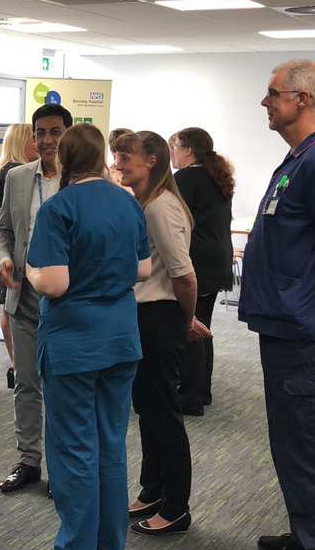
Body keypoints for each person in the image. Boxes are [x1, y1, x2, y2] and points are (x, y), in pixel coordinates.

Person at [240, 59, 315, 550]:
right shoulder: (298, 158)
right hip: (288, 325)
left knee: (310, 447)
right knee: (293, 444)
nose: (265, 103)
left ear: (302, 100)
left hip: (305, 330)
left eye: (272, 94)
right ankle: (307, 534)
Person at [26, 124, 151, 549]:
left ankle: (78, 543)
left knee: (74, 451)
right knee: (110, 446)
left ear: (63, 160)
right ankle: (109, 542)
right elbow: (143, 270)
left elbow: (54, 284)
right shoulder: (128, 203)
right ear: (102, 158)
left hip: (73, 346)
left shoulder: (58, 208)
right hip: (120, 339)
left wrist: (30, 271)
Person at [112, 130, 208, 536]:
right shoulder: (146, 202)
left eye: (125, 157)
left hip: (158, 318)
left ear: (151, 161)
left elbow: (184, 276)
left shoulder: (159, 207)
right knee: (148, 412)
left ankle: (176, 507)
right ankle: (153, 489)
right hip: (147, 317)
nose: (118, 164)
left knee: (163, 414)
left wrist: (185, 322)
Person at [0, 102, 73, 493]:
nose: (46, 140)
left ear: (68, 135)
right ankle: (28, 461)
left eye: (55, 132)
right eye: (39, 132)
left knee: (62, 387)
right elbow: (4, 229)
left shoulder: (82, 181)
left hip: (67, 301)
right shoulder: (19, 177)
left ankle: (62, 467)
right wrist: (4, 258)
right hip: (23, 297)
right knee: (26, 383)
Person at [169, 127, 235, 416]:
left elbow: (176, 222)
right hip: (218, 257)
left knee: (189, 328)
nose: (172, 154)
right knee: (203, 325)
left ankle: (190, 398)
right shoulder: (216, 175)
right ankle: (202, 391)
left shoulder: (185, 178)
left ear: (187, 150)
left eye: (174, 147)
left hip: (197, 259)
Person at [0, 123, 36, 381]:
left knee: (8, 308)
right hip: (11, 249)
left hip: (1, 246)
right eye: (33, 139)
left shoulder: (0, 169)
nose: (38, 144)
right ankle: (17, 364)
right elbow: (11, 215)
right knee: (12, 309)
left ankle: (16, 363)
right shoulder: (18, 172)